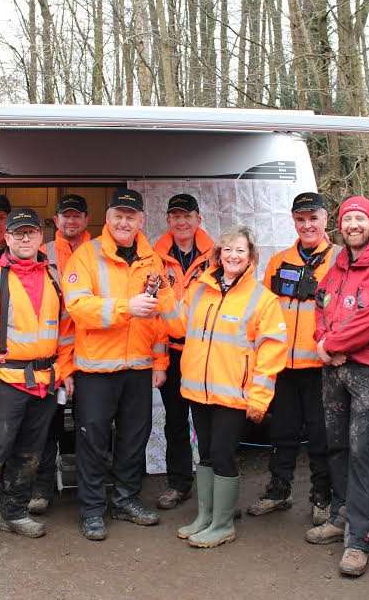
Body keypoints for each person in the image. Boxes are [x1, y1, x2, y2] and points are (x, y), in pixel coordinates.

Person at [0, 208, 75, 559]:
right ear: (6, 238)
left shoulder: (54, 277)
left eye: (31, 233)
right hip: (3, 381)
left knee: (29, 455)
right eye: (17, 233)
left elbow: (66, 333)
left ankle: (14, 512)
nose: (24, 239)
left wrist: (64, 372)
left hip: (44, 384)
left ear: (41, 238)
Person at [62, 188, 175, 541]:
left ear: (141, 220)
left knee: (134, 438)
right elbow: (77, 308)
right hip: (97, 368)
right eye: (118, 216)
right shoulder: (85, 255)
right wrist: (126, 307)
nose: (124, 222)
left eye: (131, 216)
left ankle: (126, 499)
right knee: (93, 440)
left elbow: (159, 317)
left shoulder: (152, 260)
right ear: (107, 218)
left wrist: (159, 360)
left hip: (139, 367)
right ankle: (92, 509)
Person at [167, 225, 287, 548]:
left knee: (222, 455)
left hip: (234, 394)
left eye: (240, 251)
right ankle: (205, 517)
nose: (233, 256)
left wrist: (259, 398)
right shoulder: (200, 290)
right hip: (198, 390)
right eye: (228, 250)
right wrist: (163, 294)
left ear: (251, 257)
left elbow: (272, 352)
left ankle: (223, 524)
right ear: (218, 255)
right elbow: (177, 325)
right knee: (204, 454)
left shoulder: (263, 299)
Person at [306, 195, 369, 577]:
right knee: (337, 444)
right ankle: (340, 515)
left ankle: (359, 540)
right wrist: (324, 343)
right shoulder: (339, 264)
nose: (353, 225)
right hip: (335, 368)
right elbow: (322, 302)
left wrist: (330, 346)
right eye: (347, 219)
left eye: (359, 219)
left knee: (363, 451)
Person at [247, 192, 339, 526]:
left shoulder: (340, 259)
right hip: (282, 366)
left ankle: (322, 496)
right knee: (282, 432)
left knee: (320, 435)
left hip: (321, 367)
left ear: (325, 220)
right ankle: (278, 490)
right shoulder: (279, 261)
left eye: (313, 218)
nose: (307, 225)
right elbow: (265, 311)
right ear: (294, 222)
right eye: (301, 219)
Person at [28, 194, 92, 514]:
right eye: (65, 216)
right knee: (47, 424)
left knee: (89, 426)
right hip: (51, 354)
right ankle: (43, 489)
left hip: (93, 355)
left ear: (86, 219)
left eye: (77, 216)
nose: (70, 221)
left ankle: (88, 489)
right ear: (56, 221)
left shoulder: (100, 254)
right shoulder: (42, 254)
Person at [152, 193, 214, 510]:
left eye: (187, 215)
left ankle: (210, 486)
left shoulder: (217, 256)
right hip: (173, 353)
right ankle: (178, 484)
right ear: (168, 221)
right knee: (175, 422)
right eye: (175, 216)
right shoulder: (155, 258)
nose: (181, 221)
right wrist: (160, 362)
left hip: (206, 354)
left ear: (198, 219)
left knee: (206, 423)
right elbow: (156, 316)